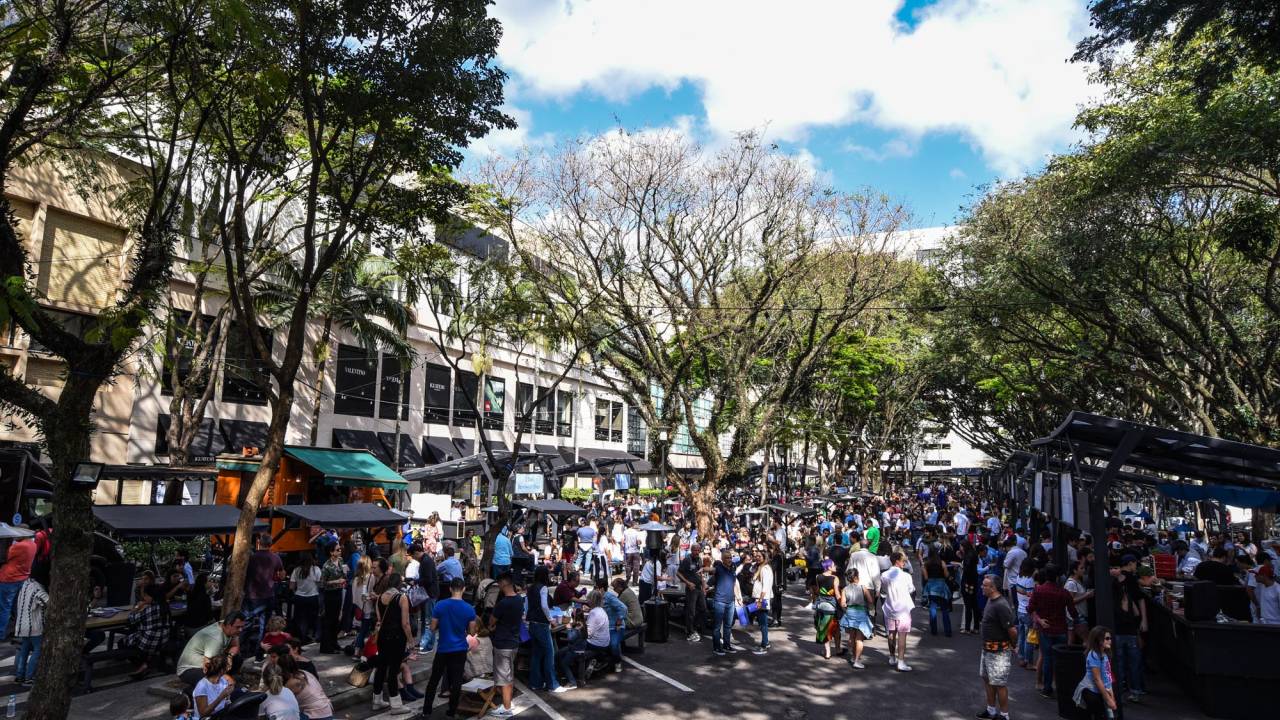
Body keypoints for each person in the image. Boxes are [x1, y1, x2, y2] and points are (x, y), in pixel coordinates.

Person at [422, 577, 477, 716]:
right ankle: (452, 711)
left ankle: (426, 710)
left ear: (450, 588)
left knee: (434, 680)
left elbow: (433, 627)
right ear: (464, 589)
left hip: (443, 648)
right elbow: (472, 632)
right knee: (456, 681)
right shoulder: (469, 609)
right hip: (460, 649)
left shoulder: (440, 605)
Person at [1027, 564, 1076, 698]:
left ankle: (1047, 687)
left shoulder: (1039, 591)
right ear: (1057, 577)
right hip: (1061, 628)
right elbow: (1073, 612)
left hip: (1046, 628)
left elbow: (1030, 608)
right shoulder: (1063, 592)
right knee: (1060, 659)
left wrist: (1039, 619)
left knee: (1047, 659)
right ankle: (1061, 686)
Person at [369, 573, 413, 715]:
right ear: (399, 584)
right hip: (397, 638)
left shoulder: (380, 597)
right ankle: (396, 704)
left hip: (382, 637)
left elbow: (380, 620)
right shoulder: (402, 598)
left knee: (381, 667)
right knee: (393, 671)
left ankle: (377, 700)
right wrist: (411, 641)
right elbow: (405, 623)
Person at [554, 589, 613, 691]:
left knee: (569, 647)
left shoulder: (594, 613)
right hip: (604, 642)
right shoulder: (601, 610)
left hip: (595, 644)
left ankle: (570, 677)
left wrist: (571, 629)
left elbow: (586, 635)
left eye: (588, 599)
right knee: (566, 649)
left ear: (592, 600)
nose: (587, 601)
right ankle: (569, 672)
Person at [977, 575, 1017, 720]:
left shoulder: (1001, 605)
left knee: (999, 684)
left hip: (999, 652)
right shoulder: (990, 600)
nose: (982, 587)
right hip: (987, 650)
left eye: (985, 585)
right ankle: (991, 710)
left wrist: (1014, 645)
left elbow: (1012, 630)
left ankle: (1004, 715)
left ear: (993, 588)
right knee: (987, 679)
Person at [177, 612, 246, 690]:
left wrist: (229, 657)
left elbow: (235, 646)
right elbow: (208, 665)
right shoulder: (216, 638)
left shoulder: (226, 625)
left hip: (210, 662)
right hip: (190, 669)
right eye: (238, 627)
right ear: (228, 625)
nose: (241, 630)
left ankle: (229, 681)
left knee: (237, 658)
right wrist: (226, 678)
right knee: (217, 683)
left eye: (242, 627)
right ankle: (191, 691)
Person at [243, 534, 284, 659]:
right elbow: (281, 575)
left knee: (245, 625)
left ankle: (242, 652)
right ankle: (259, 655)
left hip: (252, 596)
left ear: (259, 543)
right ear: (270, 544)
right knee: (263, 627)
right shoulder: (276, 558)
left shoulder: (251, 557)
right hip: (268, 595)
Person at [489, 572, 523, 717]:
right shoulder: (519, 600)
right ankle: (508, 703)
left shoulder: (503, 603)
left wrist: (493, 626)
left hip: (503, 643)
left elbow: (491, 622)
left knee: (503, 678)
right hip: (514, 642)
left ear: (503, 583)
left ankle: (507, 707)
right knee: (509, 675)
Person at [122, 581, 169, 680]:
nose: (144, 598)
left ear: (152, 597)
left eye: (146, 596)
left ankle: (142, 665)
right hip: (163, 639)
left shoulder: (148, 610)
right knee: (139, 638)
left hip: (149, 641)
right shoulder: (165, 606)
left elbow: (132, 619)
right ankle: (146, 664)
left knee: (122, 643)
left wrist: (136, 608)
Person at [1071, 626, 1120, 720]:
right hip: (1091, 691)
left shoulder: (1105, 654)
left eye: (1110, 638)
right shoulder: (1093, 655)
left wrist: (1111, 696)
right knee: (1098, 714)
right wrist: (1108, 699)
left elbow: (1107, 676)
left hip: (1101, 691)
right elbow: (1097, 679)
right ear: (1098, 640)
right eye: (1107, 638)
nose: (1110, 640)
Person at [12, 559, 48, 685]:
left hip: (22, 625)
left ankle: (19, 676)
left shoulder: (24, 584)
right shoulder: (38, 588)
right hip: (34, 625)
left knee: (24, 650)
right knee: (39, 649)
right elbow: (48, 603)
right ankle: (29, 676)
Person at [526, 565, 561, 693]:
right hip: (541, 623)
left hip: (531, 623)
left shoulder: (530, 588)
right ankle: (552, 683)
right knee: (549, 653)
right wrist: (551, 620)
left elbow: (528, 605)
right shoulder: (543, 588)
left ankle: (535, 682)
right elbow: (544, 606)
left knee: (536, 653)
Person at [881, 551, 916, 671]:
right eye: (903, 561)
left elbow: (884, 590)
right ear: (897, 561)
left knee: (891, 633)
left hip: (890, 606)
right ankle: (901, 661)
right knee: (902, 635)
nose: (904, 563)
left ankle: (892, 657)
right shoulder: (906, 576)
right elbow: (911, 589)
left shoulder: (884, 575)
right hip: (903, 609)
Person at [0, 531, 36, 643]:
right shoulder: (33, 544)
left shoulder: (19, 546)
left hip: (9, 579)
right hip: (22, 578)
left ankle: (0, 634)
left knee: (4, 607)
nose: (15, 535)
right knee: (18, 607)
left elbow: (5, 556)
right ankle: (19, 632)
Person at [278, 653, 335, 720]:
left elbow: (281, 700)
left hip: (317, 715)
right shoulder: (304, 673)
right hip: (326, 710)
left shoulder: (292, 682)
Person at [839, 566, 874, 669]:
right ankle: (857, 660)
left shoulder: (845, 589)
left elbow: (842, 603)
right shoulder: (863, 587)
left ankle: (853, 657)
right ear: (856, 577)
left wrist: (847, 605)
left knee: (852, 637)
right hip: (861, 614)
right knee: (859, 639)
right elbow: (871, 601)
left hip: (850, 613)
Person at [709, 548, 740, 656]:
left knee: (728, 626)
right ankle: (716, 647)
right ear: (722, 559)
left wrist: (738, 598)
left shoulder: (733, 569)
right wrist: (704, 569)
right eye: (727, 558)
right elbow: (711, 571)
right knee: (717, 626)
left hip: (730, 602)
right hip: (719, 602)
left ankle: (727, 645)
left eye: (730, 557)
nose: (729, 559)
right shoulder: (718, 568)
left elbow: (734, 584)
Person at [191, 653, 236, 720]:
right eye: (227, 667)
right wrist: (221, 697)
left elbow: (231, 682)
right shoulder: (202, 686)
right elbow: (203, 714)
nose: (229, 669)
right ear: (221, 670)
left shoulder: (223, 681)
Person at [289, 553, 321, 645]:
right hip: (313, 596)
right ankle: (312, 635)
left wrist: (296, 592)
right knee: (313, 617)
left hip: (299, 597)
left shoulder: (296, 570)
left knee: (301, 619)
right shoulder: (316, 570)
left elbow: (291, 586)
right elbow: (320, 583)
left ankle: (302, 637)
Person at [677, 543, 707, 642]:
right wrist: (688, 583)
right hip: (691, 589)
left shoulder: (699, 559)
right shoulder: (687, 560)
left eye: (698, 550)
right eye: (695, 550)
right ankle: (690, 631)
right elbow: (678, 573)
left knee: (703, 608)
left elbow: (701, 572)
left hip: (699, 588)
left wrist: (703, 585)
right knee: (691, 611)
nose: (697, 552)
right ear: (691, 550)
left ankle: (695, 627)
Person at [813, 558, 841, 659]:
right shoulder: (835, 578)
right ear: (829, 567)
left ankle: (828, 652)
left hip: (821, 605)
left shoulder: (818, 577)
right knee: (835, 629)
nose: (835, 566)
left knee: (825, 629)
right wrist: (843, 604)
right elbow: (837, 594)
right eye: (833, 565)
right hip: (831, 606)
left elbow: (818, 590)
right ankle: (837, 649)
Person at [923, 554, 953, 637]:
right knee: (945, 609)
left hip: (931, 587)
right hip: (941, 587)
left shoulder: (926, 563)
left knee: (932, 608)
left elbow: (925, 578)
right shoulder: (942, 562)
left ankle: (934, 630)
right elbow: (946, 575)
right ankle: (948, 631)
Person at [750, 549, 773, 654]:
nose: (757, 557)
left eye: (760, 556)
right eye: (756, 556)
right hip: (758, 598)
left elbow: (766, 587)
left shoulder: (765, 569)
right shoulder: (759, 568)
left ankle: (764, 645)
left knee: (763, 623)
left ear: (764, 557)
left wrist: (760, 600)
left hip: (762, 599)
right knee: (760, 621)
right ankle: (766, 642)